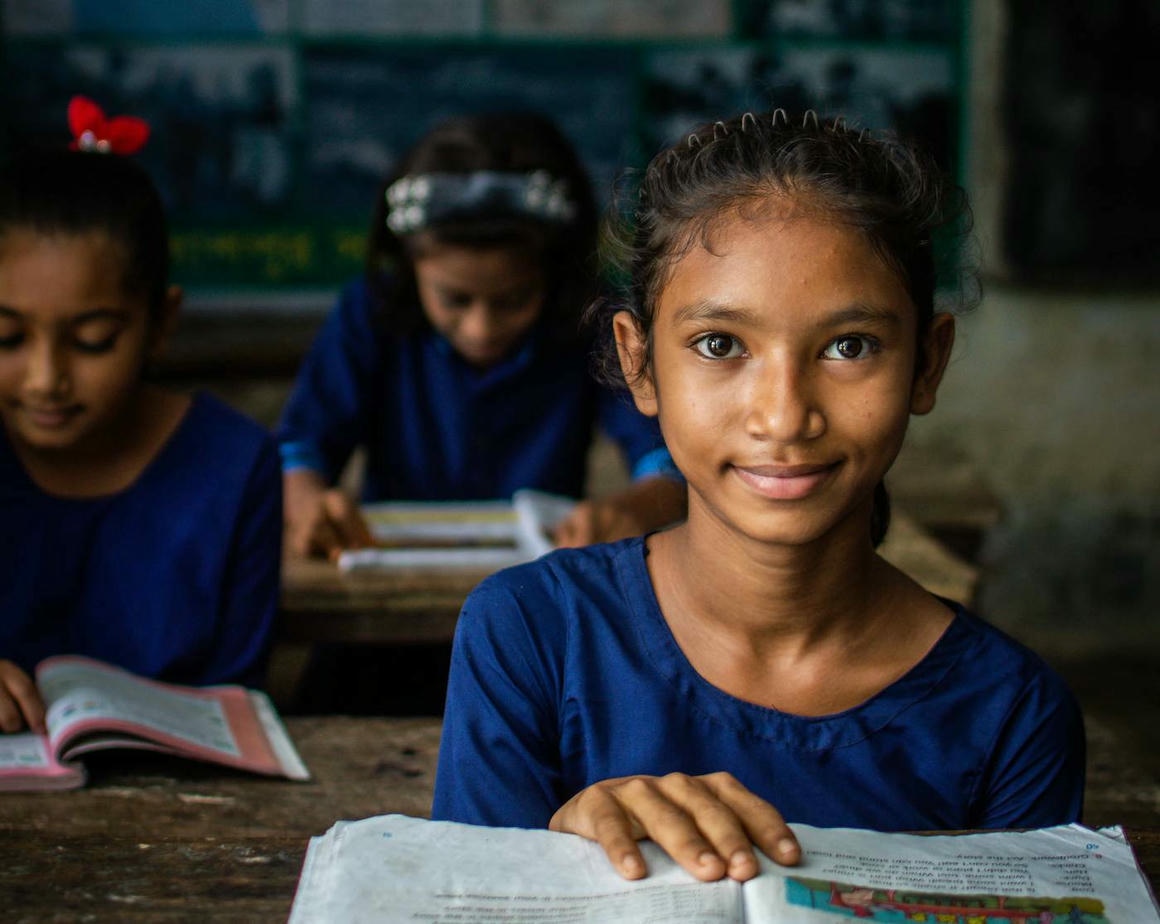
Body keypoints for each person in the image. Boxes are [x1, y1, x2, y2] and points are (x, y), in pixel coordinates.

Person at [432, 109, 1086, 882]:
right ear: (637, 363)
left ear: (927, 365)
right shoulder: (531, 634)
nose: (783, 416)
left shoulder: (1008, 713)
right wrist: (564, 844)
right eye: (720, 345)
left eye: (850, 346)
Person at [276, 111, 686, 561]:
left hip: (537, 586)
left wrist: (631, 509)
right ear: (411, 268)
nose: (480, 328)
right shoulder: (371, 312)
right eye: (454, 299)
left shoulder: (590, 320)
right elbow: (301, 447)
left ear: (555, 271)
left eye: (513, 300)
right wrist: (307, 502)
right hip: (385, 577)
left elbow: (666, 456)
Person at [0, 102, 282, 734]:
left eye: (94, 339)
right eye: (6, 339)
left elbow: (237, 701)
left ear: (161, 323)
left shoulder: (234, 466)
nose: (47, 378)